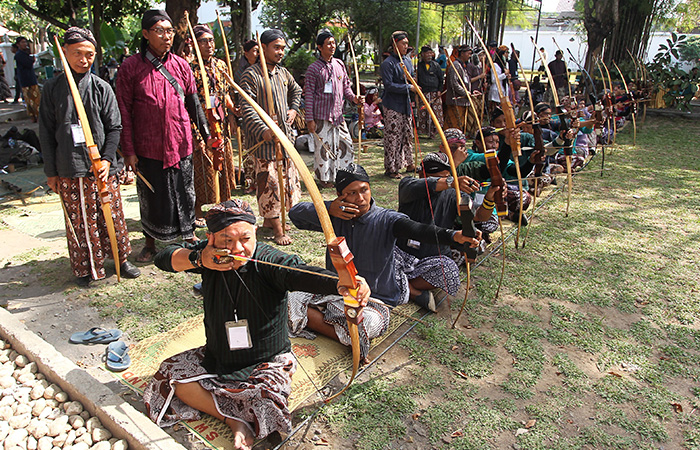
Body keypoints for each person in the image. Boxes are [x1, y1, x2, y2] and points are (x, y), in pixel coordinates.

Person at [143, 199, 372, 450]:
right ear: (211, 238)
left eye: (245, 238)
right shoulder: (209, 255)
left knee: (266, 403)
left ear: (254, 234)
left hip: (266, 361)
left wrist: (345, 282)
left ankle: (236, 412)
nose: (237, 248)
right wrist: (199, 259)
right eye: (226, 240)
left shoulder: (266, 259)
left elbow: (299, 272)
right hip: (218, 357)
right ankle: (232, 419)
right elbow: (164, 258)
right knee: (172, 375)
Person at [289, 164, 480, 312]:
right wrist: (328, 208)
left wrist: (453, 235)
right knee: (294, 303)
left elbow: (417, 229)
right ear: (340, 195)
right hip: (340, 292)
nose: (360, 198)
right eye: (352, 193)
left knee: (363, 322)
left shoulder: (385, 218)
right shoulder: (334, 215)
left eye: (364, 190)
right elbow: (295, 214)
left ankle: (406, 291)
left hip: (378, 297)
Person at [39, 28, 141, 287]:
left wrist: (107, 160)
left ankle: (122, 259)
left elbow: (114, 127)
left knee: (113, 217)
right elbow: (47, 133)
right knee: (81, 221)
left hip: (103, 167)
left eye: (89, 55)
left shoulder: (101, 87)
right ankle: (86, 268)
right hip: (70, 166)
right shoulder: (52, 89)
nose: (84, 60)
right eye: (77, 54)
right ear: (64, 52)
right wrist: (51, 172)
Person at [117, 9, 212, 262]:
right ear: (146, 34)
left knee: (184, 190)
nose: (166, 36)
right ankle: (150, 242)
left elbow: (193, 103)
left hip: (180, 141)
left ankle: (188, 234)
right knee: (152, 195)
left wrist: (206, 133)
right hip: (148, 145)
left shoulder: (181, 65)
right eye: (160, 31)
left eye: (169, 31)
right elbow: (123, 111)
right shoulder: (130, 67)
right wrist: (128, 150)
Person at [240, 29, 303, 246]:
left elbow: (297, 91)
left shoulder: (283, 73)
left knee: (286, 184)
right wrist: (263, 130)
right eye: (276, 47)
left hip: (284, 141)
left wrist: (294, 110)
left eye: (283, 48)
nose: (280, 52)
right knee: (270, 186)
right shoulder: (251, 74)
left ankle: (272, 221)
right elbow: (247, 108)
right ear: (263, 48)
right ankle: (277, 230)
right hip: (265, 145)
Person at [189, 24, 238, 226]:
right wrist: (197, 131)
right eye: (203, 41)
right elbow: (189, 101)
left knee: (223, 163)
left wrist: (234, 111)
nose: (209, 44)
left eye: (211, 40)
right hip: (201, 126)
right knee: (202, 166)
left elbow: (224, 93)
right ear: (195, 44)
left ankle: (225, 203)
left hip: (221, 123)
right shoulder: (189, 68)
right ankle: (197, 209)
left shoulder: (221, 66)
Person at [304, 29, 360, 188]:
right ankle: (324, 178)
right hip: (321, 116)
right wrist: (310, 119)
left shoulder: (339, 64)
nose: (332, 46)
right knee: (324, 149)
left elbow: (346, 88)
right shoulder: (313, 69)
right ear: (320, 47)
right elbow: (308, 95)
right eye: (328, 43)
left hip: (338, 116)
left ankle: (344, 175)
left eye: (333, 43)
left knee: (346, 144)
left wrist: (355, 98)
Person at [380, 31, 416, 179]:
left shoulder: (407, 61)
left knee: (407, 134)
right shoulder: (387, 63)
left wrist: (413, 85)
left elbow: (412, 78)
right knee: (393, 137)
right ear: (395, 44)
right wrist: (408, 87)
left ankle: (409, 163)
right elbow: (389, 85)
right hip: (392, 105)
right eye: (403, 43)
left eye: (407, 44)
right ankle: (391, 168)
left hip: (405, 105)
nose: (406, 46)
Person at [415, 45, 443, 139]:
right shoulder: (418, 66)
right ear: (422, 54)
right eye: (427, 53)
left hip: (434, 93)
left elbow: (441, 78)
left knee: (435, 113)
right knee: (425, 113)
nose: (429, 55)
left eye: (430, 53)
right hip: (423, 93)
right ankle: (426, 131)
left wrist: (439, 90)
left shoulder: (436, 65)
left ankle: (434, 132)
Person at [444, 45, 473, 134]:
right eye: (468, 53)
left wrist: (469, 92)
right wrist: (465, 92)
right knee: (454, 125)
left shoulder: (462, 65)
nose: (470, 56)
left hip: (462, 101)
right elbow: (454, 83)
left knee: (460, 124)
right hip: (455, 101)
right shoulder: (455, 65)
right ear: (462, 53)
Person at [14, 36, 40, 122]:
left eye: (25, 42)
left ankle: (38, 115)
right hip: (25, 79)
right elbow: (28, 63)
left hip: (31, 78)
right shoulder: (19, 55)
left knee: (36, 98)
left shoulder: (25, 54)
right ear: (18, 44)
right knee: (29, 99)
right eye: (22, 42)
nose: (25, 44)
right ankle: (33, 116)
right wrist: (32, 60)